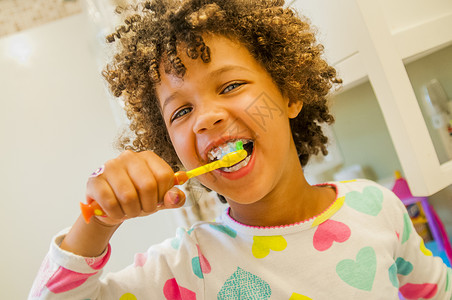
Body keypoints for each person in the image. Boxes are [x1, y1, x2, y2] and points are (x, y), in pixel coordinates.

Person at [29, 0, 451, 299]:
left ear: (289, 94)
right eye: (180, 113)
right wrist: (98, 224)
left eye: (230, 86)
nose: (205, 118)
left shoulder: (377, 208)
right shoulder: (187, 268)